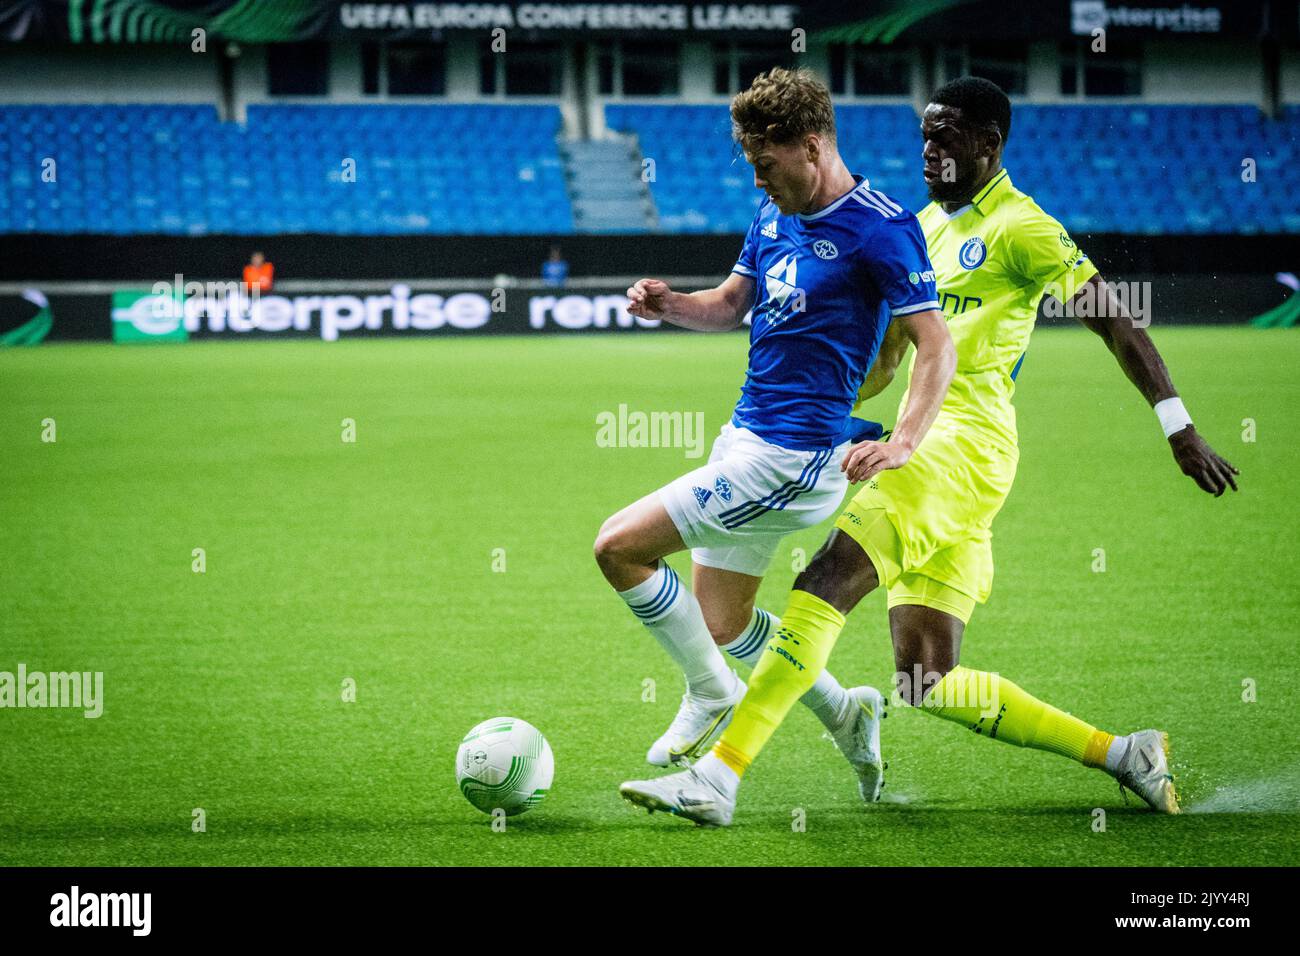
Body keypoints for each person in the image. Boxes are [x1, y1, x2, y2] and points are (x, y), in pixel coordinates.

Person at [620, 76, 1238, 826]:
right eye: (923, 137)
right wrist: (834, 419)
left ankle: (718, 780)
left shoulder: (1023, 225)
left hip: (963, 445)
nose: (929, 151)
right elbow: (886, 362)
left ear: (989, 144)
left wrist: (1178, 425)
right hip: (939, 456)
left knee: (824, 581)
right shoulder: (923, 229)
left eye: (946, 137)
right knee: (925, 680)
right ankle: (1124, 752)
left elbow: (1113, 320)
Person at [594, 67, 954, 800]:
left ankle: (710, 693)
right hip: (745, 438)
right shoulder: (771, 216)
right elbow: (729, 307)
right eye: (752, 165)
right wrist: (668, 305)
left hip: (796, 459)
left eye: (767, 164)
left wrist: (905, 441)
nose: (760, 181)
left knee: (618, 548)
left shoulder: (880, 227)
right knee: (722, 621)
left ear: (813, 145)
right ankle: (844, 711)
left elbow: (935, 343)